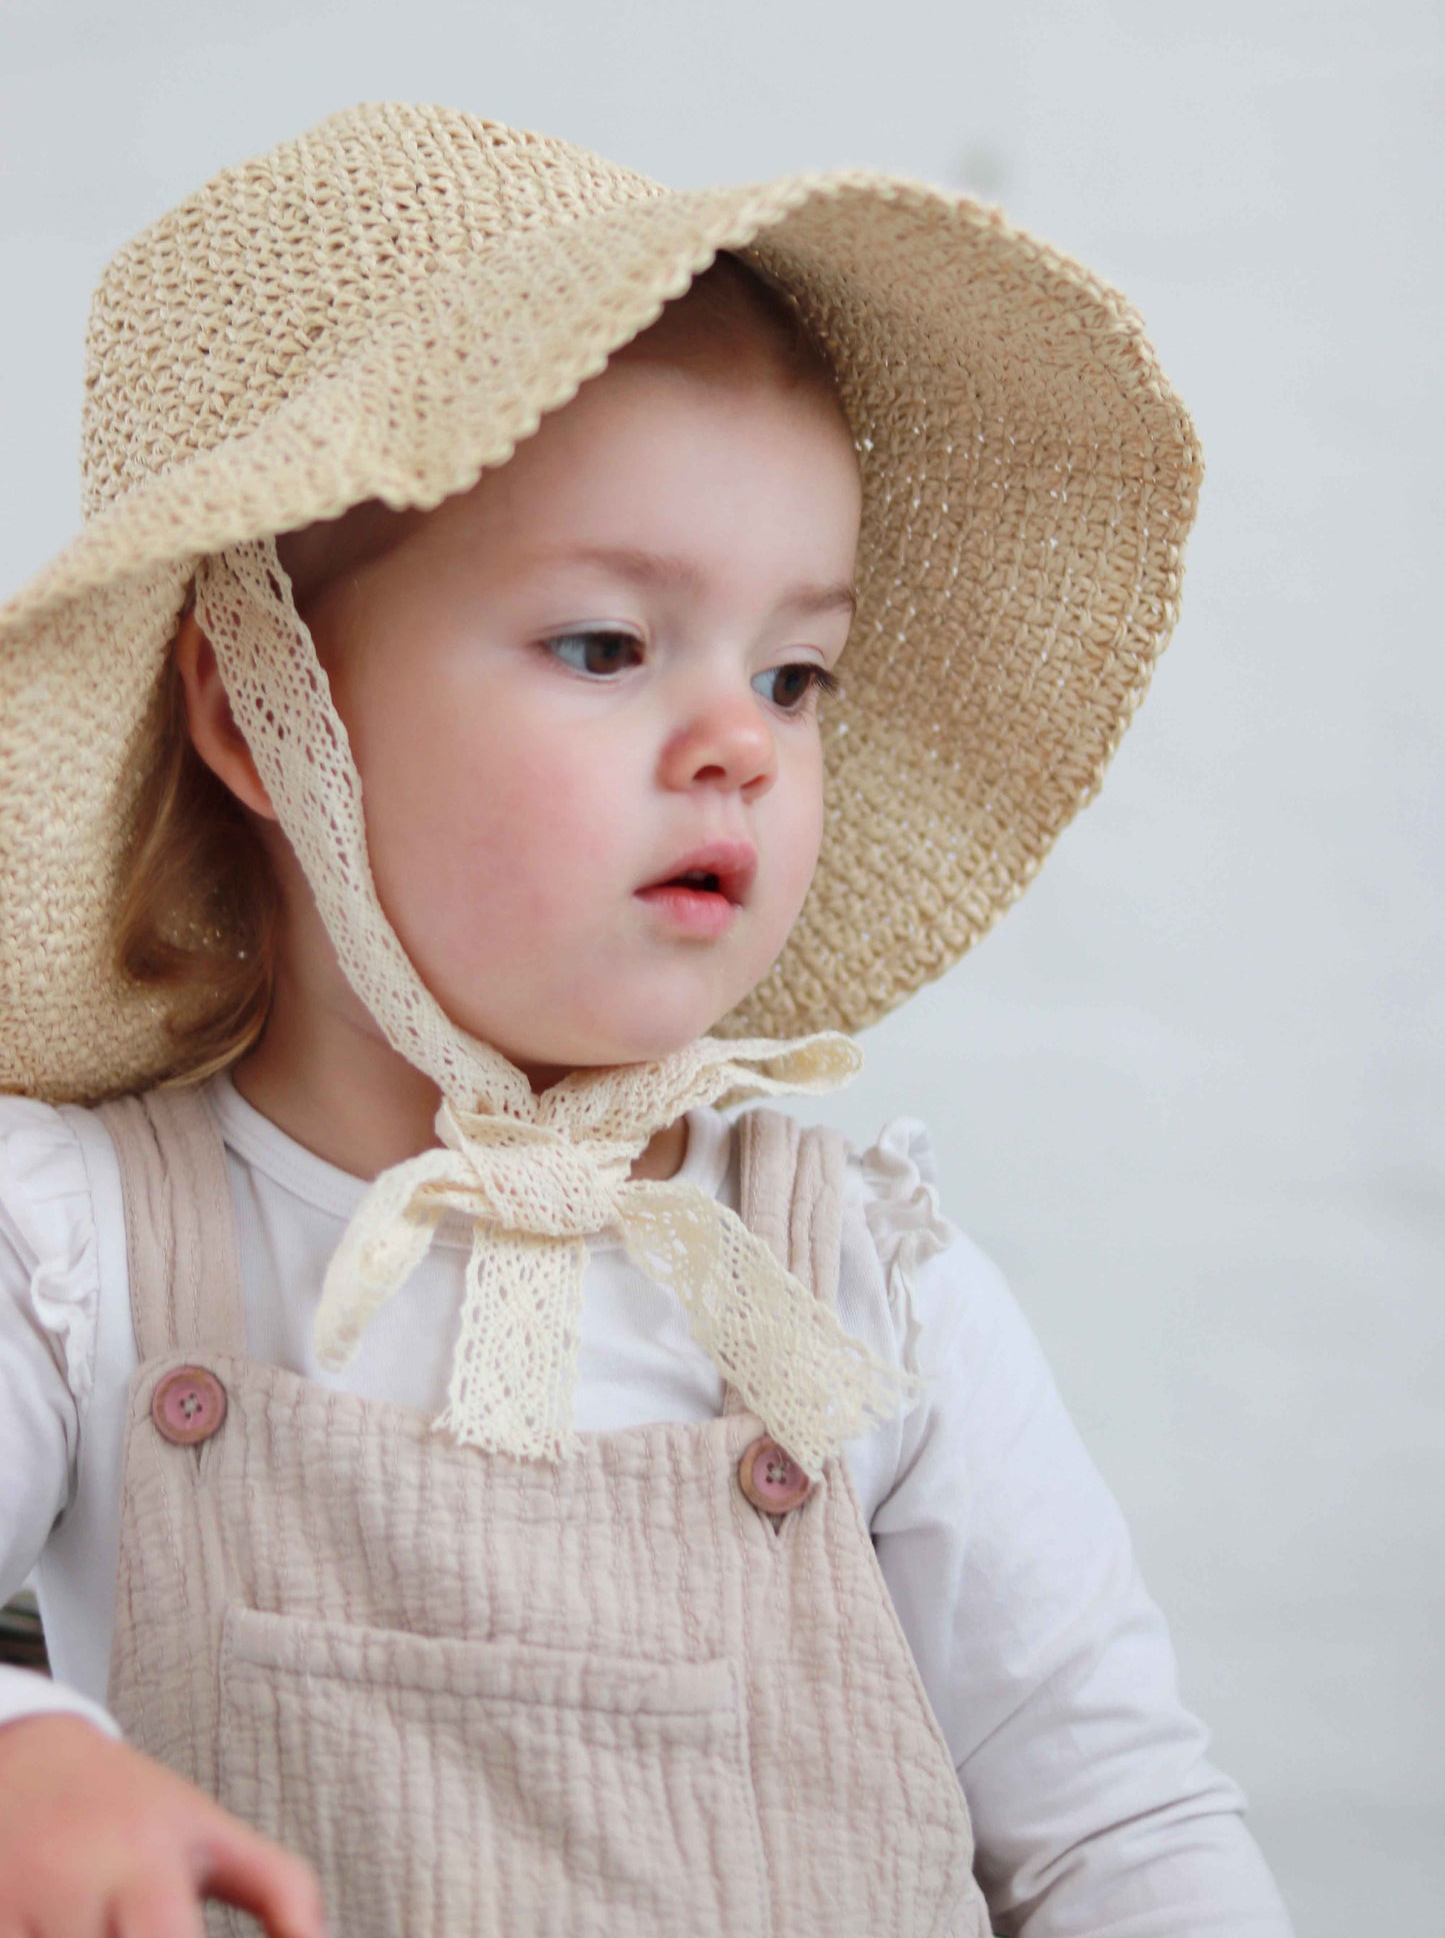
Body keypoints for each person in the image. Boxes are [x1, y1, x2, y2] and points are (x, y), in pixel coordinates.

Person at [0, 102, 1296, 1936]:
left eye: (794, 671)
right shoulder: (73, 1254)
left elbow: (1119, 1832)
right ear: (258, 715)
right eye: (607, 645)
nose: (741, 742)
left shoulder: (855, 1286)